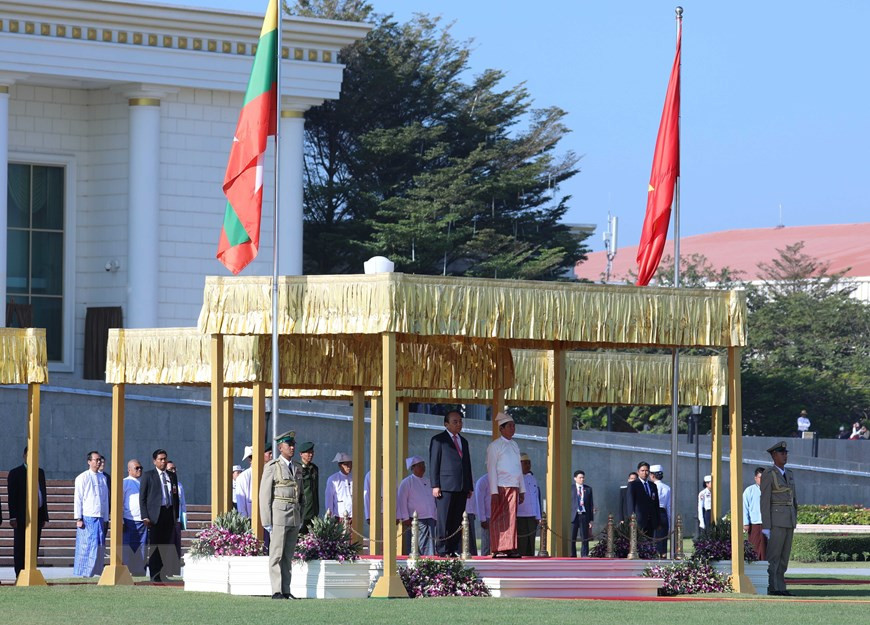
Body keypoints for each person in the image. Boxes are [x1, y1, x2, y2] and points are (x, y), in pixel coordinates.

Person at [259, 430, 303, 600]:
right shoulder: (272, 466)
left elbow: (301, 495)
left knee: (288, 555)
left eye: (293, 445)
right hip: (278, 515)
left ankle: (286, 590)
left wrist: (300, 516)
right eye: (288, 445)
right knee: (276, 554)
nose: (292, 448)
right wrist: (267, 520)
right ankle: (276, 590)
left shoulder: (297, 467)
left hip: (293, 514)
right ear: (280, 447)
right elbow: (265, 495)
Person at [428, 409, 474, 557]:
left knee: (456, 519)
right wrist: (435, 485)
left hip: (461, 487)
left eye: (460, 421)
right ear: (446, 424)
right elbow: (434, 463)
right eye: (455, 422)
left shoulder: (464, 441)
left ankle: (452, 549)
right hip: (445, 486)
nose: (459, 424)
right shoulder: (438, 440)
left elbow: (467, 465)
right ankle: (442, 549)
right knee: (444, 519)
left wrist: (469, 486)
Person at [761, 441, 798, 596]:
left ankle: (781, 586)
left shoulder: (789, 473)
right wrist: (766, 525)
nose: (785, 456)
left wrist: (794, 517)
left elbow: (794, 498)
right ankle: (773, 587)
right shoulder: (769, 474)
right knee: (774, 556)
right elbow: (765, 500)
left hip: (788, 519)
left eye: (786, 453)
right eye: (782, 453)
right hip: (776, 520)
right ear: (774, 455)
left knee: (784, 557)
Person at [486, 412, 525, 558]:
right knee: (499, 517)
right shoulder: (495, 446)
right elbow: (491, 469)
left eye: (514, 426)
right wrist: (494, 491)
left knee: (512, 518)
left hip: (513, 486)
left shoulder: (515, 445)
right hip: (501, 486)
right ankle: (498, 547)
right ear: (501, 429)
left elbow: (518, 469)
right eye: (509, 426)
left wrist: (522, 489)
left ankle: (510, 547)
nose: (512, 428)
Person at [7, 446, 49, 580]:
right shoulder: (15, 473)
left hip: (37, 515)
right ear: (24, 456)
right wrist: (12, 516)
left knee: (34, 545)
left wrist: (43, 515)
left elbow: (42, 494)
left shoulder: (40, 472)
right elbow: (12, 497)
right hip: (21, 516)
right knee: (20, 546)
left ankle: (32, 571)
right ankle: (19, 573)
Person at [139, 448, 179, 582]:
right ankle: (154, 575)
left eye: (165, 459)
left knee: (166, 546)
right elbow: (142, 498)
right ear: (154, 461)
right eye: (160, 459)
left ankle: (163, 573)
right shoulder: (148, 475)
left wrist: (176, 515)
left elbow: (175, 497)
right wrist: (145, 516)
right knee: (155, 545)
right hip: (155, 516)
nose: (163, 461)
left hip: (169, 513)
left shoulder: (172, 475)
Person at [73, 450, 109, 577]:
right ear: (89, 462)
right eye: (96, 460)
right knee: (87, 545)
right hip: (87, 516)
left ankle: (96, 571)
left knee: (99, 545)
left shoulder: (103, 478)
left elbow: (105, 499)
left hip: (100, 517)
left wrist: (106, 517)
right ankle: (84, 572)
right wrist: (78, 517)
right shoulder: (82, 477)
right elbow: (78, 498)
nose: (98, 462)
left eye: (100, 460)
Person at [397, 456, 437, 555]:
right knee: (417, 545)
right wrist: (405, 517)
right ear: (413, 467)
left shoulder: (428, 481)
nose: (423, 467)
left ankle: (429, 562)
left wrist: (435, 515)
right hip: (415, 520)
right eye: (420, 466)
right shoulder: (406, 482)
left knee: (430, 544)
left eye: (423, 465)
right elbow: (401, 500)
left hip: (430, 517)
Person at [122, 459, 147, 576]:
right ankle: (127, 571)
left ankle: (139, 571)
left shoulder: (144, 482)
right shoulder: (125, 482)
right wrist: (121, 519)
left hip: (142, 521)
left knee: (141, 547)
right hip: (129, 520)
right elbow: (120, 502)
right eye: (137, 468)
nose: (139, 470)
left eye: (141, 467)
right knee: (128, 547)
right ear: (129, 470)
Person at [516, 453, 541, 557]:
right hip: (520, 515)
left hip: (532, 515)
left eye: (529, 463)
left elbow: (536, 498)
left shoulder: (533, 478)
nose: (528, 465)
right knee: (522, 542)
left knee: (531, 542)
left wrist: (538, 516)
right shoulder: (515, 478)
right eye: (525, 463)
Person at [625, 462, 659, 538]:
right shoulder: (633, 485)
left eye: (646, 470)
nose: (645, 473)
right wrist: (631, 519)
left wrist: (657, 521)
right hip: (638, 521)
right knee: (638, 544)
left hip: (651, 521)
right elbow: (630, 503)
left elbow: (656, 503)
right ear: (638, 472)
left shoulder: (652, 485)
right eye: (642, 470)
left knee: (649, 544)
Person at [166, 460, 186, 575]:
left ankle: (174, 569)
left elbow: (182, 503)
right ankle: (166, 569)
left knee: (176, 545)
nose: (173, 471)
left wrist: (183, 518)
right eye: (170, 469)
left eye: (174, 469)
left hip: (177, 520)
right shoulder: (164, 484)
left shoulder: (179, 485)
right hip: (167, 520)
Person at [743, 467, 767, 561]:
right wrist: (745, 522)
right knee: (754, 547)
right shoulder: (749, 491)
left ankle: (765, 570)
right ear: (755, 478)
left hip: (767, 523)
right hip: (754, 524)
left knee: (766, 548)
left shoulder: (770, 490)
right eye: (760, 477)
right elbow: (744, 507)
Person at [570, 470, 594, 557]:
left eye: (583, 477)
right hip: (574, 515)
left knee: (585, 537)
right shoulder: (571, 488)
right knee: (572, 537)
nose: (582, 479)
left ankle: (584, 555)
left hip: (584, 515)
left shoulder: (588, 489)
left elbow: (591, 505)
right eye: (580, 477)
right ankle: (572, 555)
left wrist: (591, 520)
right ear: (575, 478)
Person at [298, 441, 320, 534]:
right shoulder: (297, 468)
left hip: (313, 511)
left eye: (312, 452)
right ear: (301, 454)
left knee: (311, 540)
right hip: (302, 512)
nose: (310, 455)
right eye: (308, 452)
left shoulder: (314, 468)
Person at [649, 464, 671, 556]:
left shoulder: (650, 486)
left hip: (653, 513)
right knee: (662, 540)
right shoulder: (667, 488)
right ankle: (663, 557)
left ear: (652, 475)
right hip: (663, 513)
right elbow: (669, 506)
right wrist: (669, 521)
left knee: (652, 538)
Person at [324, 452, 353, 519]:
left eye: (350, 464)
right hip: (339, 515)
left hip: (353, 515)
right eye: (346, 464)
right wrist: (330, 517)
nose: (348, 467)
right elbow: (329, 499)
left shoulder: (353, 477)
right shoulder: (333, 479)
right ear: (340, 465)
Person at [474, 471, 491, 556]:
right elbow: (479, 501)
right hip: (488, 517)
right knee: (487, 545)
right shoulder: (483, 481)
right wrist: (482, 519)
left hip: (499, 517)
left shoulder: (502, 479)